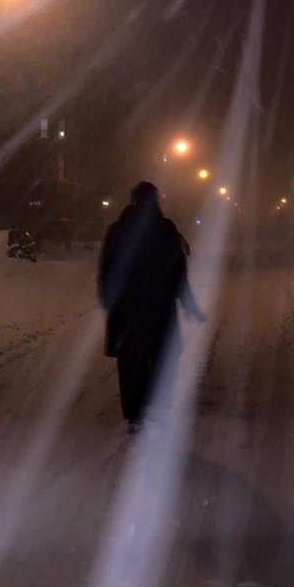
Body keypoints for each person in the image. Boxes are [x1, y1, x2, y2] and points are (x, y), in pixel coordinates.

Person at [97, 181, 205, 433]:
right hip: (159, 308)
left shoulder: (118, 230)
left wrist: (109, 299)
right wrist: (188, 304)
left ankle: (135, 415)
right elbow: (177, 271)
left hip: (127, 310)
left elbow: (107, 269)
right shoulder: (165, 229)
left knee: (130, 363)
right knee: (161, 358)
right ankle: (155, 405)